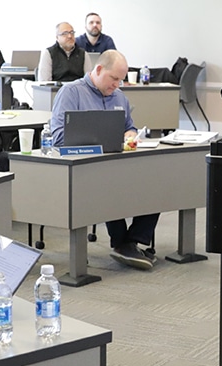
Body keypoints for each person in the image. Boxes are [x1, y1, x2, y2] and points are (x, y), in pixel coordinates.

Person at [49, 50, 158, 270]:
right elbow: (59, 138)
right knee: (107, 186)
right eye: (114, 78)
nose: (117, 85)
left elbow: (130, 127)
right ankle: (123, 244)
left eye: (121, 79)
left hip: (117, 165)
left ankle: (130, 241)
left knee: (156, 182)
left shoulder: (119, 96)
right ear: (98, 70)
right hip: (84, 169)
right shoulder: (71, 92)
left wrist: (129, 135)